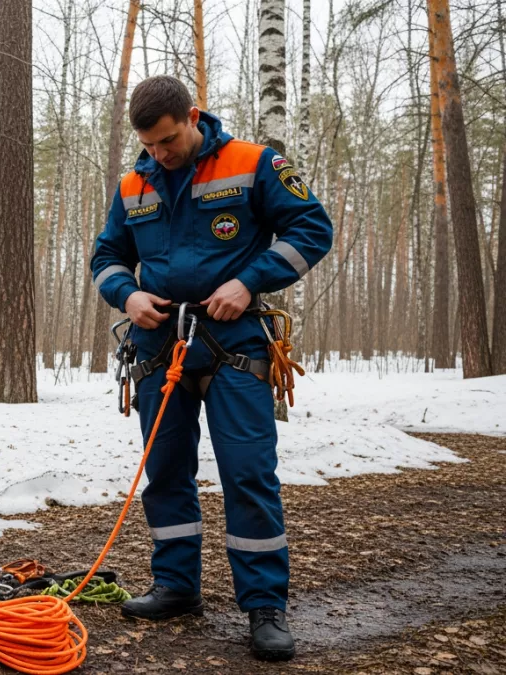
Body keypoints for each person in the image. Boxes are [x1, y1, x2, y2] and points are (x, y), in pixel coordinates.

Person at [90, 75, 333, 661]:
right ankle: (176, 586)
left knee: (247, 472)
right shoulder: (133, 183)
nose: (160, 154)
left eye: (169, 141)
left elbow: (313, 229)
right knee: (166, 471)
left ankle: (264, 607)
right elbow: (106, 255)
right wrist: (128, 296)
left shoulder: (255, 163)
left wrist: (249, 284)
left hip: (235, 346)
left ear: (192, 117)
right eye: (149, 145)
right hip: (159, 348)